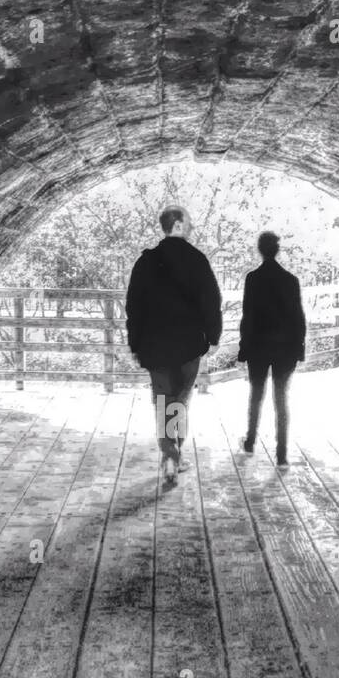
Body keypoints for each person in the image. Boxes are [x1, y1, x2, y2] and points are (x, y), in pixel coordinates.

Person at [125, 206, 222, 486]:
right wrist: (213, 337)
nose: (192, 226)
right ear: (178, 225)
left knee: (163, 400)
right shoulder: (197, 260)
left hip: (154, 345)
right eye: (188, 222)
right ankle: (174, 452)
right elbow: (211, 302)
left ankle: (169, 454)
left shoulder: (146, 262)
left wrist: (134, 343)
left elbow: (134, 306)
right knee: (179, 401)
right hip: (189, 344)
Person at [237, 231, 306, 467]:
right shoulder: (290, 280)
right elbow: (298, 317)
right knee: (281, 399)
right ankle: (282, 453)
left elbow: (248, 316)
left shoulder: (253, 279)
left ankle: (250, 441)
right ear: (277, 250)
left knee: (256, 395)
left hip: (258, 346)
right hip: (285, 348)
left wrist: (243, 347)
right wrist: (300, 348)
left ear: (260, 249)